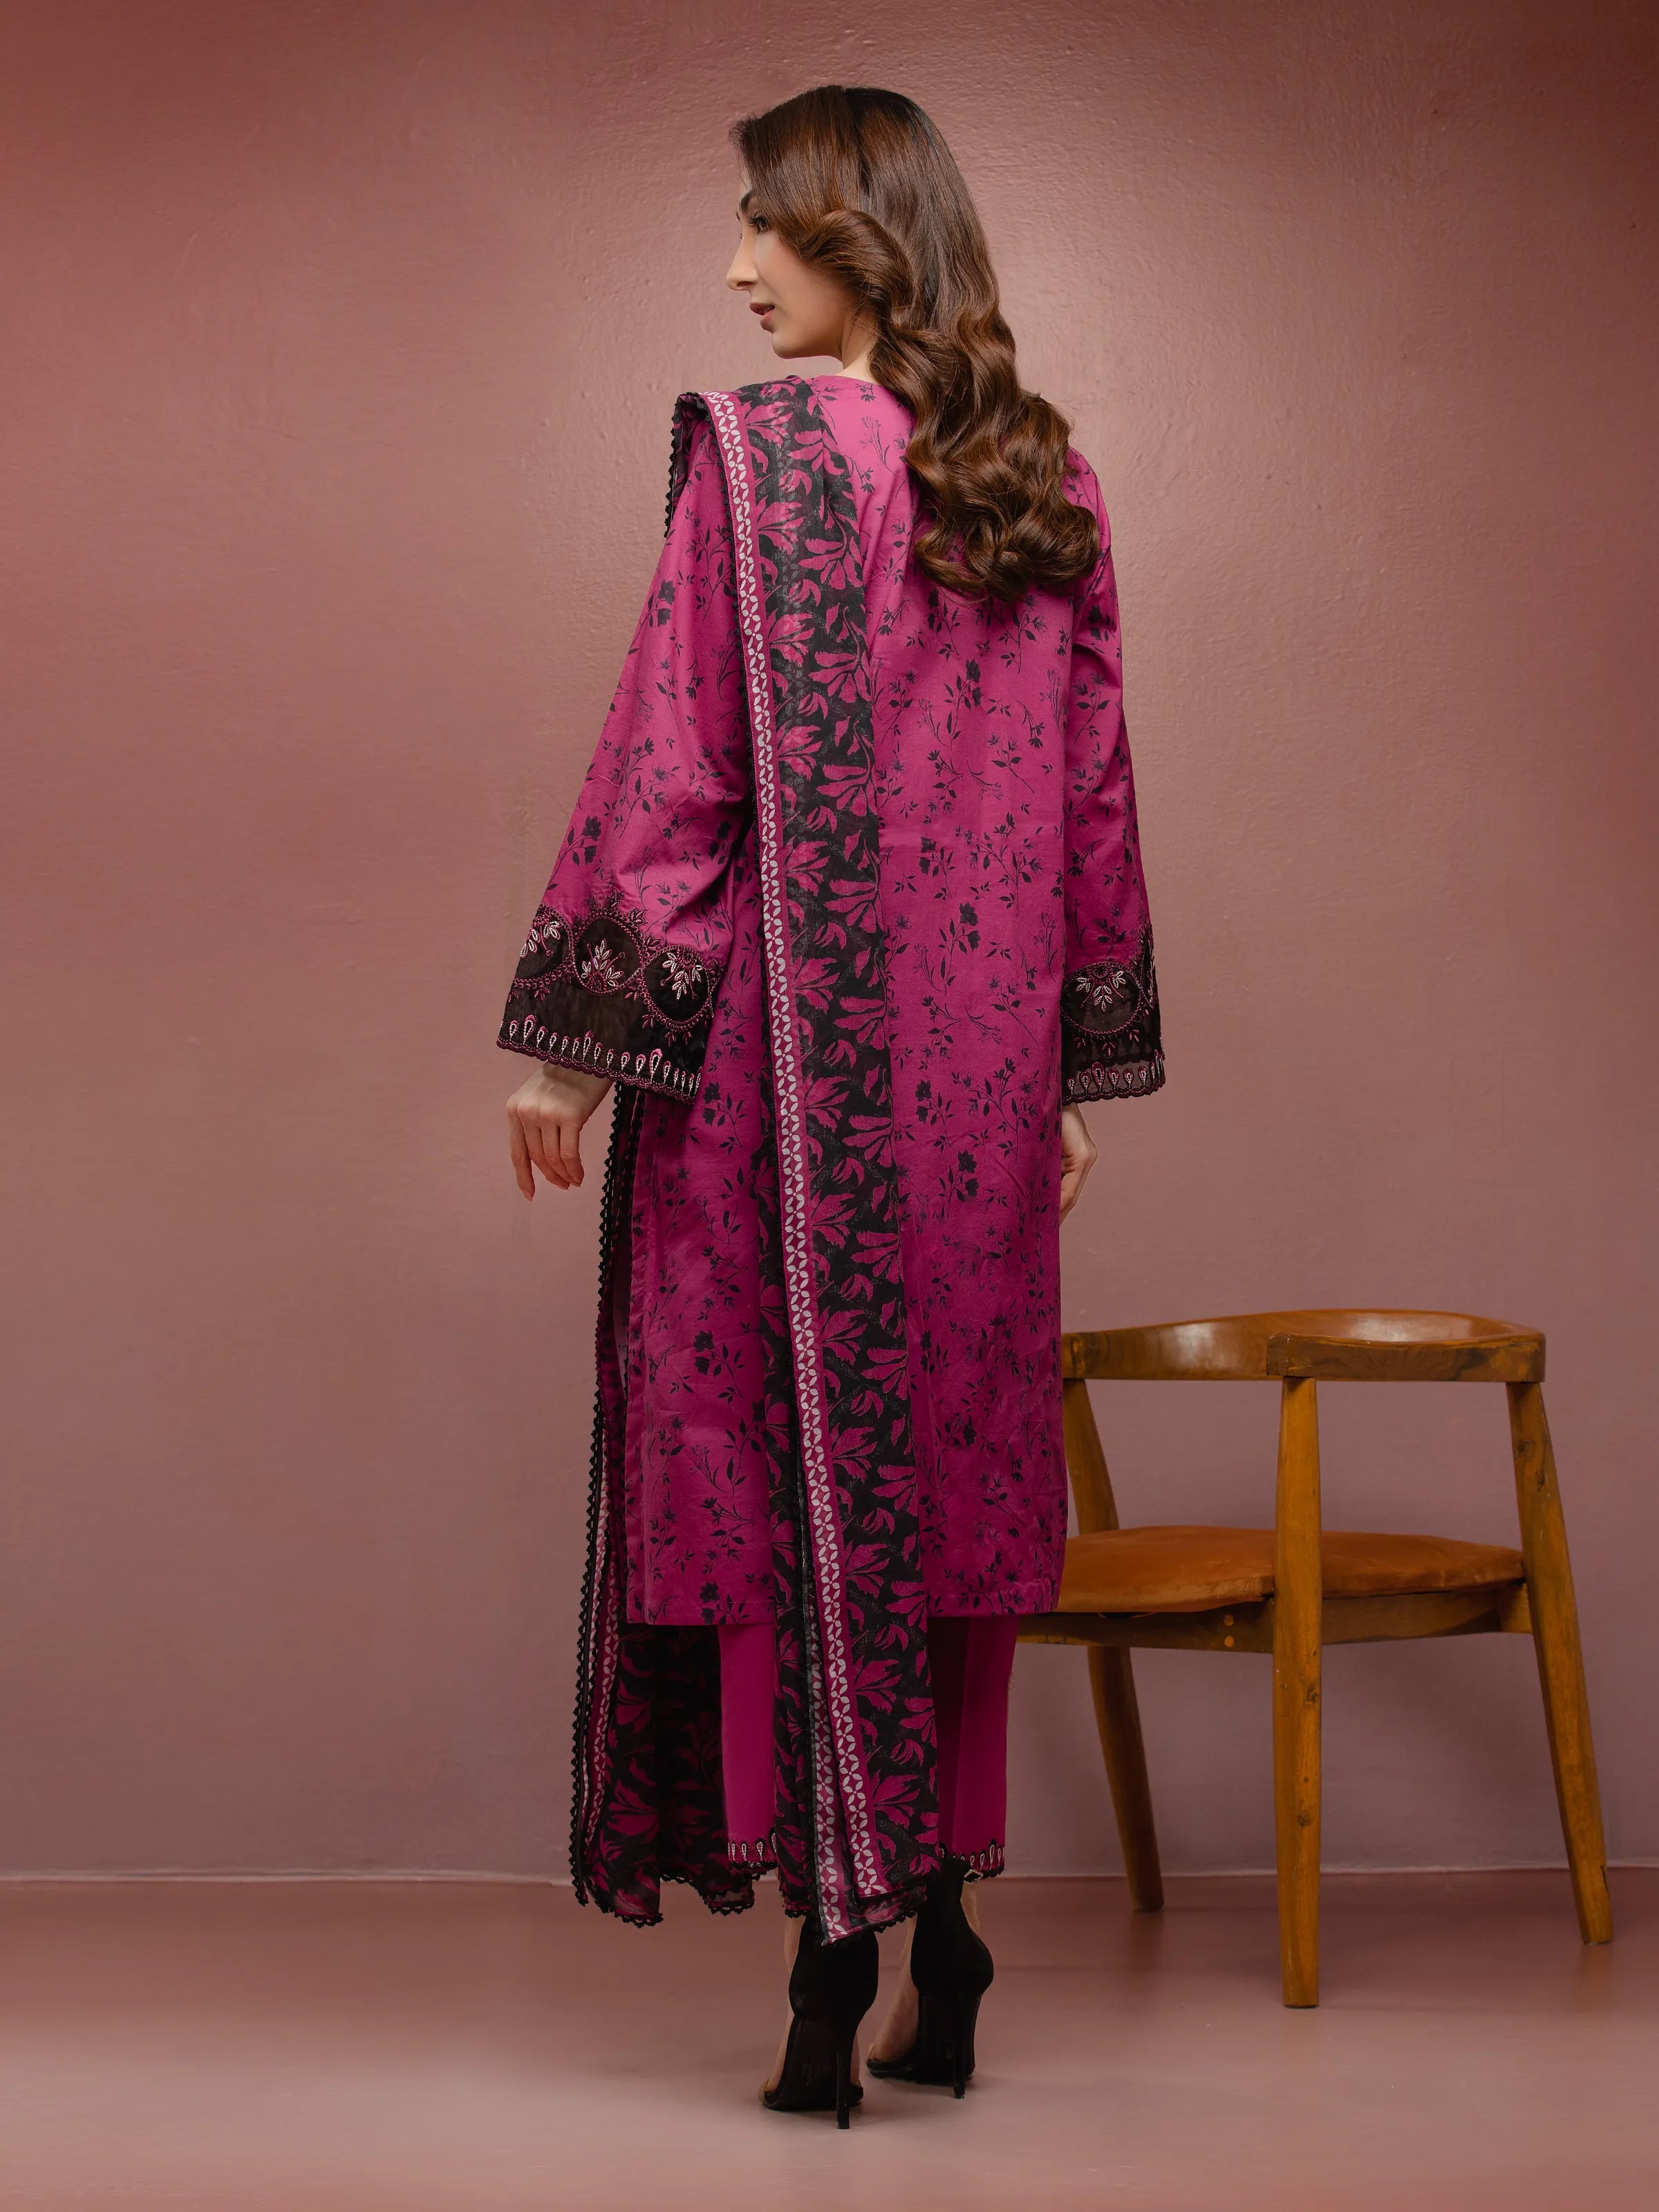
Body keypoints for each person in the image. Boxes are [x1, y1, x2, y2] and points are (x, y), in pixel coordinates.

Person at [499, 84, 1164, 2125]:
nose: (737, 268)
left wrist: (574, 1044)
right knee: (946, 1484)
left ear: (858, 238)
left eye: (763, 226)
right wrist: (1064, 1068)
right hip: (978, 1091)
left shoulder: (764, 459)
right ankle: (942, 1938)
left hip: (788, 1088)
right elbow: (1091, 794)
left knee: (793, 1479)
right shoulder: (1045, 477)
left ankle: (826, 1970)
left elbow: (679, 758)